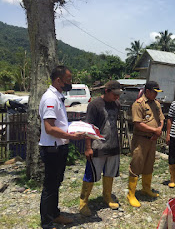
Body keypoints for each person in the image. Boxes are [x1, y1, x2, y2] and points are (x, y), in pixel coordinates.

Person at [39, 65, 85, 229]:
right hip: (53, 149)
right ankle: (47, 223)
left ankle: (55, 214)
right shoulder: (50, 98)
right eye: (68, 80)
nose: (70, 83)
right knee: (50, 186)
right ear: (58, 80)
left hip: (59, 147)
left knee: (56, 184)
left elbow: (59, 124)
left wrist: (72, 127)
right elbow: (49, 128)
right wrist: (71, 136)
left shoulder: (57, 96)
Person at [79, 80, 123, 216]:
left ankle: (107, 196)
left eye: (118, 94)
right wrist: (88, 147)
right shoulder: (95, 105)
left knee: (110, 173)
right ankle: (83, 202)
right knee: (91, 174)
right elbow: (88, 127)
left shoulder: (116, 104)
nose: (117, 97)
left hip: (113, 145)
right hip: (97, 146)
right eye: (115, 94)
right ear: (107, 91)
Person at [127, 81, 165, 207]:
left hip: (152, 140)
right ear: (147, 91)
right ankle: (131, 194)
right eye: (154, 92)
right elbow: (138, 124)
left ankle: (146, 189)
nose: (156, 95)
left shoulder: (156, 104)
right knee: (137, 164)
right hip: (141, 139)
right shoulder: (138, 104)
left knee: (149, 164)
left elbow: (161, 119)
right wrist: (155, 130)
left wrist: (158, 130)